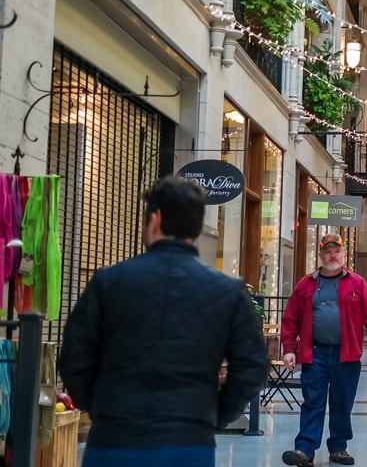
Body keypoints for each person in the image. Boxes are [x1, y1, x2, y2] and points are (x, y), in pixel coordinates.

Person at [59, 176, 268, 467]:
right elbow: (253, 365)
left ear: (155, 219)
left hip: (115, 435)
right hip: (189, 439)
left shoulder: (108, 281)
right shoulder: (228, 292)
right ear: (198, 227)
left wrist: (98, 405)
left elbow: (74, 355)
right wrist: (215, 413)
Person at [281, 234, 367, 467]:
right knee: (312, 401)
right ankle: (305, 450)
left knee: (342, 402)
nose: (332, 256)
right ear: (320, 255)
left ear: (343, 254)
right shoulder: (306, 284)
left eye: (336, 251)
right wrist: (289, 349)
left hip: (346, 355)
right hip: (315, 353)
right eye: (327, 251)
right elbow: (290, 319)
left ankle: (338, 448)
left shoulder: (357, 283)